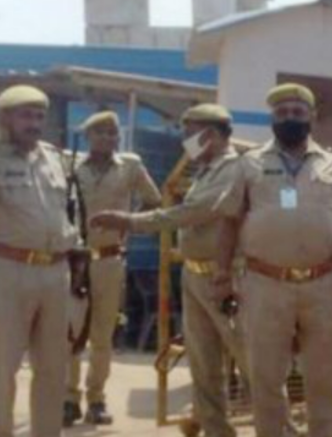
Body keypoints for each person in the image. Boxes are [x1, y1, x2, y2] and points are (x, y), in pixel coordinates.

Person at [216, 83, 332, 437]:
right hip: (265, 284)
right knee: (266, 376)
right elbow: (229, 221)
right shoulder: (249, 163)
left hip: (323, 285)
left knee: (328, 377)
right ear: (272, 118)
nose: (290, 119)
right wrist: (221, 275)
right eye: (282, 113)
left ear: (312, 117)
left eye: (298, 113)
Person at [91, 104, 249, 437]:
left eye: (190, 133)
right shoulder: (205, 169)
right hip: (194, 275)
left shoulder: (234, 169)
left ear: (213, 134)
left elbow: (192, 212)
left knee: (251, 362)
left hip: (225, 279)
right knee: (205, 367)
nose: (185, 141)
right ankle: (217, 430)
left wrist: (130, 222)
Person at [0, 85, 75, 437]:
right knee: (1, 369)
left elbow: (63, 211)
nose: (34, 123)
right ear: (5, 118)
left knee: (54, 369)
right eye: (25, 115)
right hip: (8, 273)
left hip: (56, 273)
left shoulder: (53, 156)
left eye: (39, 116)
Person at [63, 110, 163, 427]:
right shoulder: (70, 163)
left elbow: (154, 199)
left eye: (112, 132)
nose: (106, 137)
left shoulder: (130, 165)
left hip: (108, 258)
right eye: (99, 132)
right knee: (70, 332)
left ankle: (96, 399)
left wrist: (128, 224)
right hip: (73, 259)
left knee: (102, 335)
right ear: (87, 135)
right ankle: (68, 398)